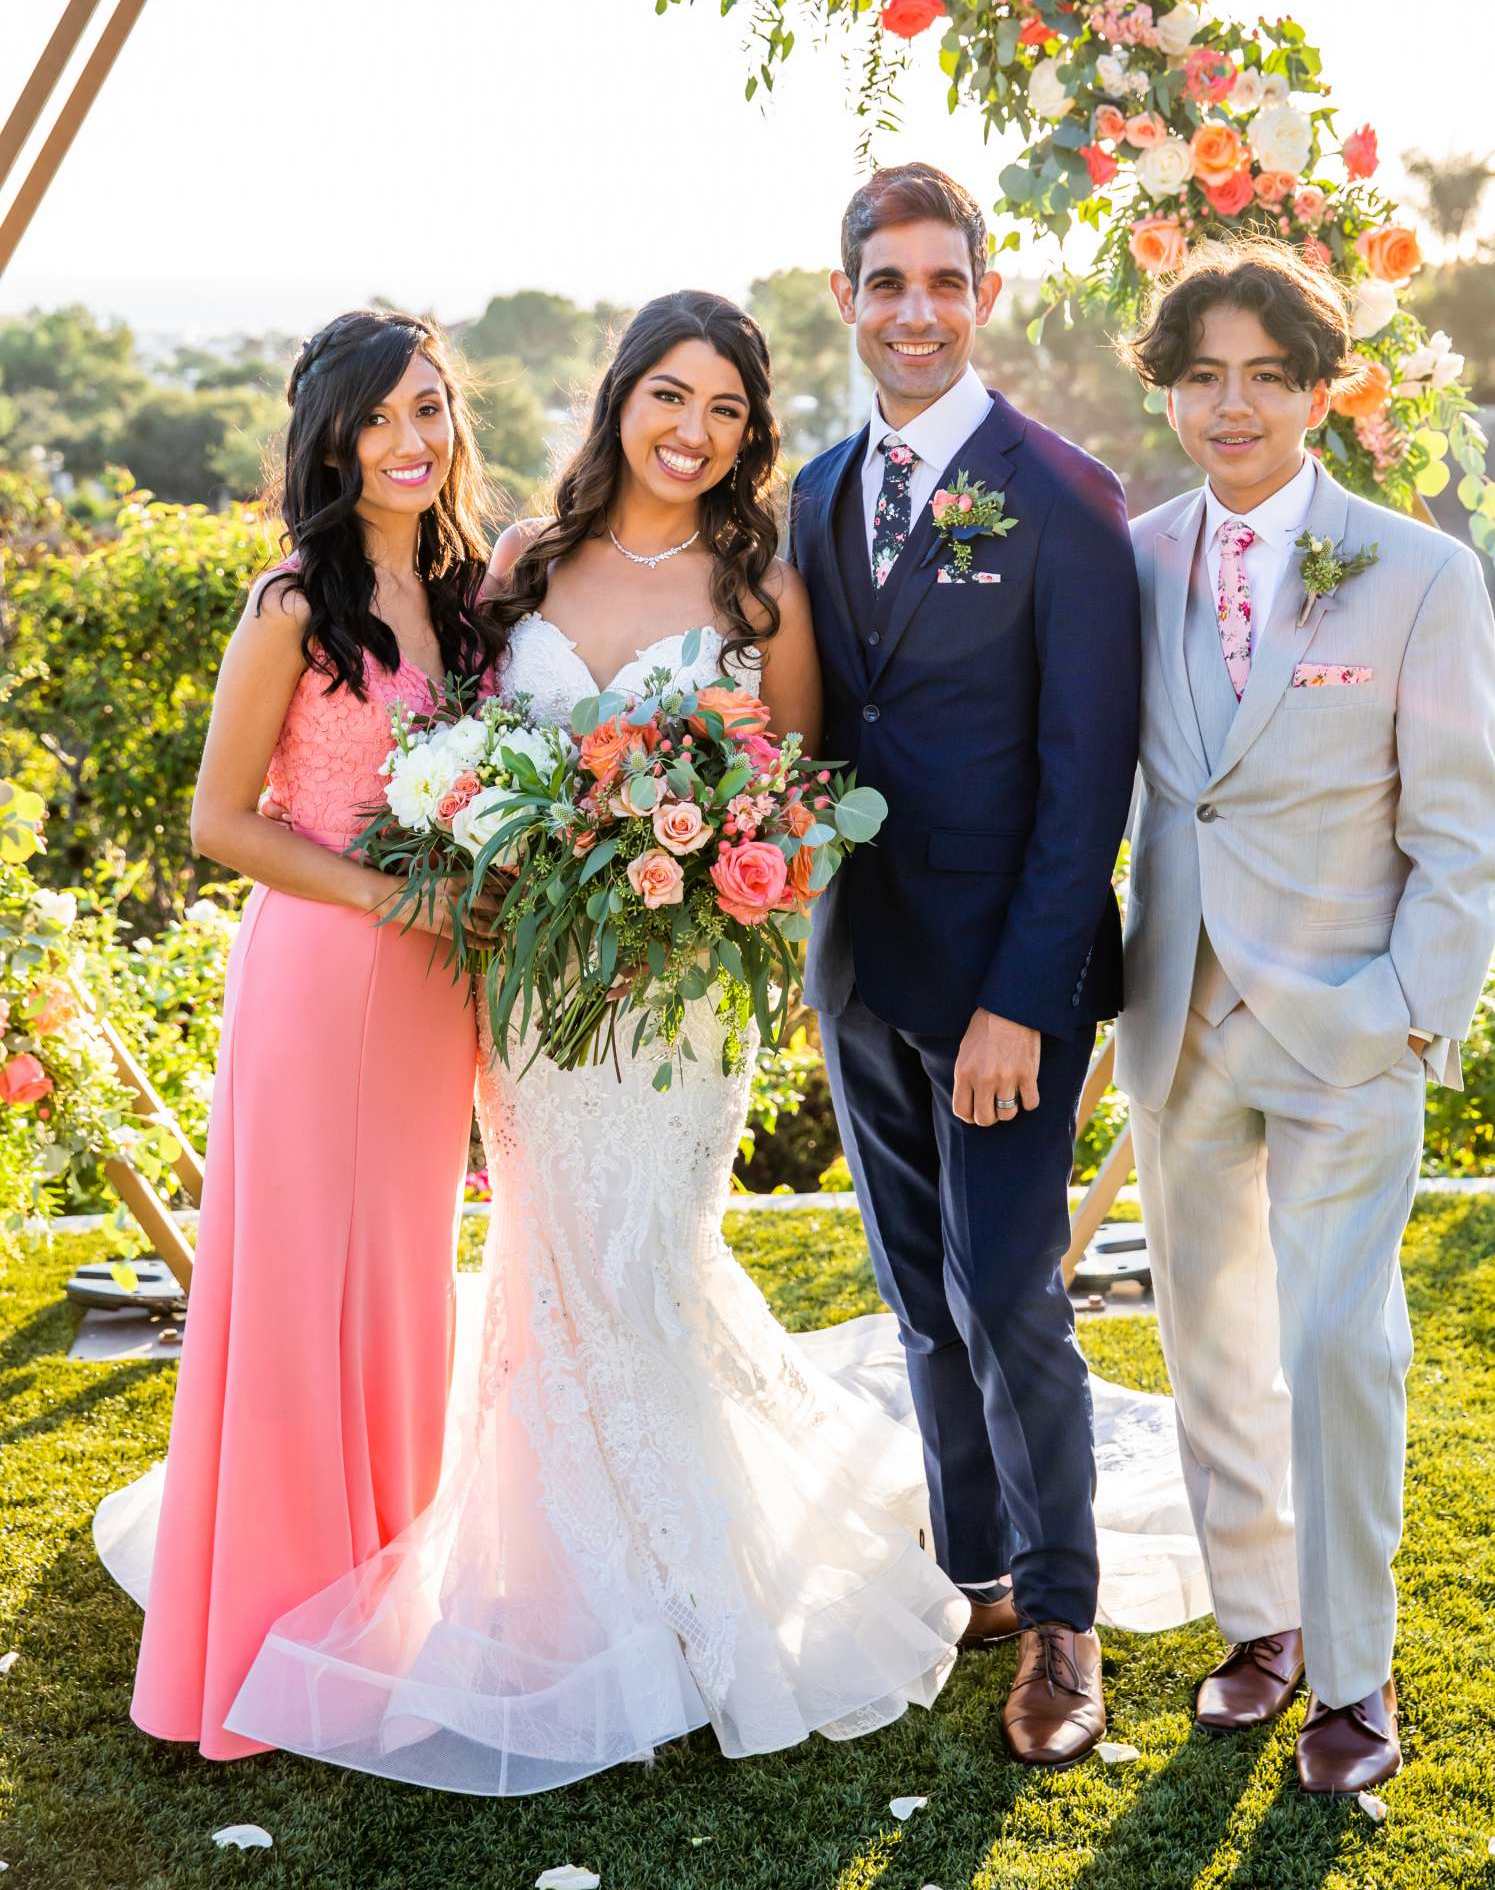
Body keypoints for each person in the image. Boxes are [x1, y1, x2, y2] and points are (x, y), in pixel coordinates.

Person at [219, 290, 974, 1793]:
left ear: (751, 435)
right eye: (668, 398)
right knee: (552, 1275)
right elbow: (460, 757)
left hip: (680, 1002)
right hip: (537, 998)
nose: (692, 433)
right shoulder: (522, 567)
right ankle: (563, 1593)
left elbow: (806, 803)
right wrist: (542, 867)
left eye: (726, 410)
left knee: (644, 1263)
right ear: (619, 399)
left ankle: (698, 1597)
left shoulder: (764, 595)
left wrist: (718, 882)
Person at [1117, 241, 1495, 1794]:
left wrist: (1416, 1012)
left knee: (1341, 1344)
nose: (1234, 406)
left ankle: (1356, 1672)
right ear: (1168, 393)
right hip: (1177, 1017)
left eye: (1267, 376)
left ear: (1320, 392)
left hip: (1353, 1021)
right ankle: (1261, 1624)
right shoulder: (1130, 559)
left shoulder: (1417, 574)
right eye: (1203, 376)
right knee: (1208, 1344)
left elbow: (1463, 830)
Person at [95, 310, 505, 1760]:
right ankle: (265, 1635)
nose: (411, 442)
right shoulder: (290, 602)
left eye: (431, 410)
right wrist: (392, 897)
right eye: (380, 418)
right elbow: (220, 822)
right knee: (295, 1292)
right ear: (331, 438)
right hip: (327, 969)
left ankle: (381, 1608)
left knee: (402, 1284)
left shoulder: (472, 598)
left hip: (436, 991)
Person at [788, 162, 1143, 1768]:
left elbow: (1088, 788)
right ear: (849, 298)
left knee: (1009, 1293)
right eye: (886, 283)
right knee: (920, 1298)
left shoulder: (1066, 497)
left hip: (1010, 983)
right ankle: (976, 1571)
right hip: (861, 969)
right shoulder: (811, 494)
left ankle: (1065, 1622)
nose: (915, 312)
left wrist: (1022, 998)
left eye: (945, 282)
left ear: (982, 296)